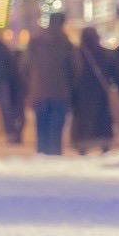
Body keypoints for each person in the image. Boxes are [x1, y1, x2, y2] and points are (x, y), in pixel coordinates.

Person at [22, 13, 76, 156]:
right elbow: (74, 70)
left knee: (42, 130)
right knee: (56, 131)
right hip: (60, 93)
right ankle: (54, 158)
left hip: (38, 92)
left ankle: (42, 155)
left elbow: (24, 67)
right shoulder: (66, 44)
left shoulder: (35, 42)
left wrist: (32, 85)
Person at [71, 25, 119, 155]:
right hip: (101, 94)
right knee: (102, 119)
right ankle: (104, 144)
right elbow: (115, 72)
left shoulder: (77, 54)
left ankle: (83, 145)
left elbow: (71, 74)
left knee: (83, 121)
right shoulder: (104, 53)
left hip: (81, 95)